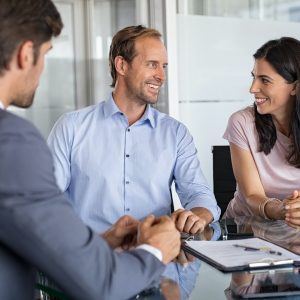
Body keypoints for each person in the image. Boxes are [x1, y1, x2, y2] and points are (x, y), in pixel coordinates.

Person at [0, 1, 181, 299]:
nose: (43, 68)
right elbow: (102, 284)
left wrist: (100, 242)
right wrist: (154, 249)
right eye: (45, 55)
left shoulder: (174, 132)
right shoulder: (13, 140)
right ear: (25, 54)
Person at [47, 25, 220, 235]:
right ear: (121, 65)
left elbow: (199, 194)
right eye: (152, 64)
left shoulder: (175, 133)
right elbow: (47, 200)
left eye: (163, 66)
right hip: (90, 256)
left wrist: (198, 215)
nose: (161, 76)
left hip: (155, 257)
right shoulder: (71, 127)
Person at [223, 37, 300, 228]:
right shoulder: (241, 122)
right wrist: (283, 210)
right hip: (243, 229)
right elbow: (251, 195)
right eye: (253, 77)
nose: (253, 88)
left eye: (264, 80)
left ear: (295, 87)